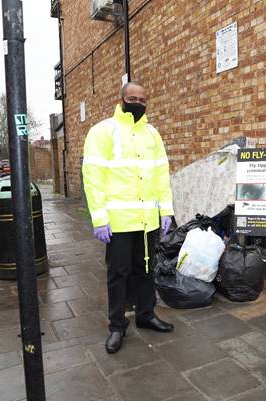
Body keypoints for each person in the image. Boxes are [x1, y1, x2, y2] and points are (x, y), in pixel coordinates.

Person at [82, 81, 175, 354]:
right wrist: (99, 218)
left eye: (143, 99)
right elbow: (93, 177)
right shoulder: (103, 131)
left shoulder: (152, 134)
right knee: (118, 274)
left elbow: (161, 174)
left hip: (148, 219)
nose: (138, 102)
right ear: (122, 99)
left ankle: (146, 314)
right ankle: (117, 326)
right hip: (119, 222)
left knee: (146, 270)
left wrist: (166, 210)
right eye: (133, 98)